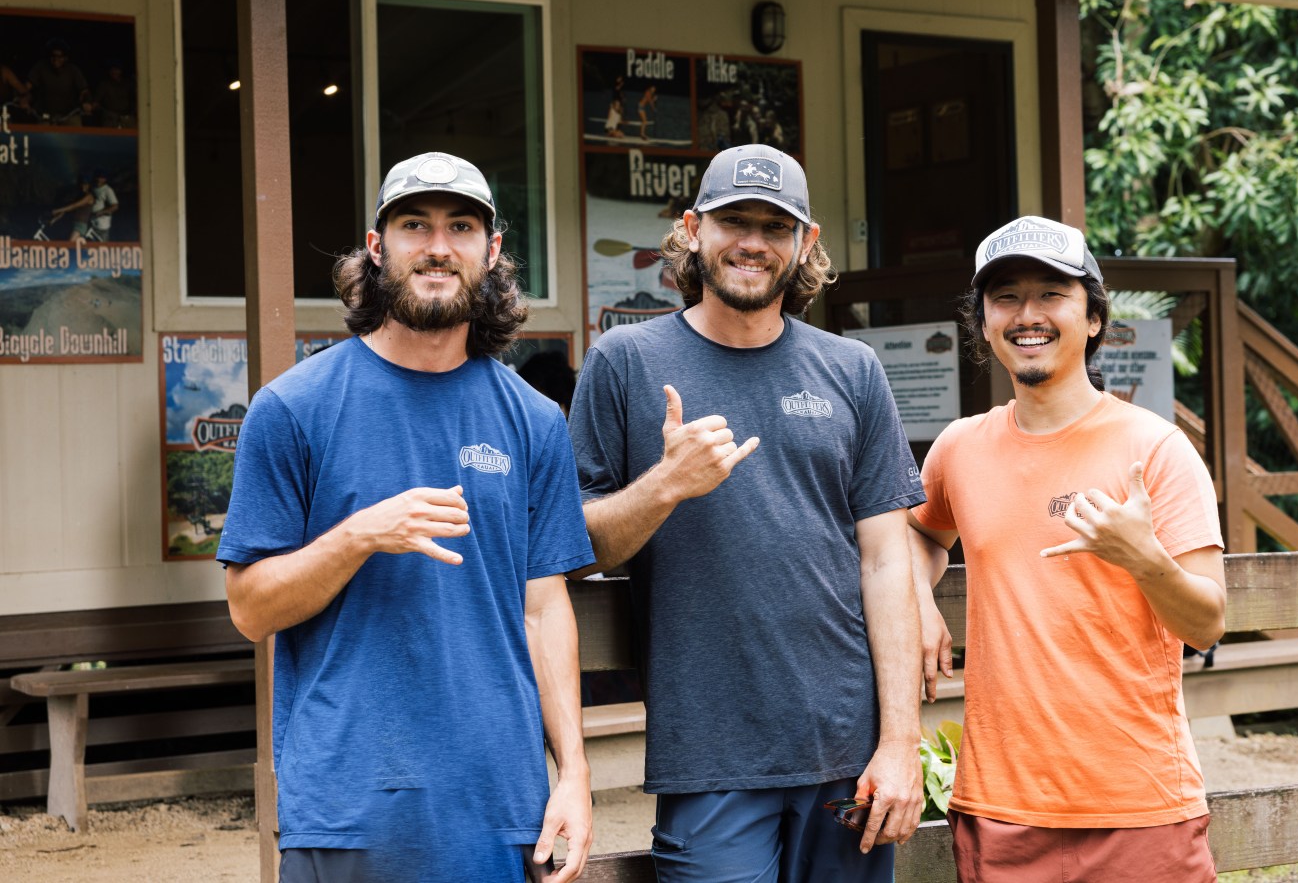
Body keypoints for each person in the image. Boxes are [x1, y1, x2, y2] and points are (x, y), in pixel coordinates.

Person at [216, 151, 595, 883]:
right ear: (376, 245)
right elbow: (250, 610)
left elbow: (544, 610)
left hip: (498, 803)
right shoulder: (293, 408)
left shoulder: (534, 421)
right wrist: (359, 534)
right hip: (346, 804)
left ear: (491, 251)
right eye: (414, 224)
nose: (438, 246)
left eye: (460, 226)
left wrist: (573, 773)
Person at [568, 143, 927, 883]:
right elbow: (578, 544)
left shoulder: (851, 369)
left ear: (805, 242)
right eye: (735, 220)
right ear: (693, 228)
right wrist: (664, 484)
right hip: (710, 750)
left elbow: (888, 560)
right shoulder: (625, 362)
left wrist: (900, 740)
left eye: (775, 224)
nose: (753, 242)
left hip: (847, 749)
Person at [906, 215, 1227, 882]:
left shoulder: (1153, 449)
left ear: (1092, 318)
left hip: (1137, 803)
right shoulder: (958, 449)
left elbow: (1204, 623)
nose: (1028, 315)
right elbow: (915, 532)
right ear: (984, 323)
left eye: (1051, 294)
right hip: (999, 804)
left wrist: (1143, 556)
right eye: (1006, 297)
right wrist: (917, 598)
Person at [26, 39, 89, 124]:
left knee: (76, 130)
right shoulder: (41, 67)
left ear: (66, 58)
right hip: (44, 114)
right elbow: (27, 86)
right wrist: (24, 98)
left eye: (60, 56)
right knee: (41, 134)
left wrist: (86, 102)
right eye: (53, 56)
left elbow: (84, 90)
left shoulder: (73, 70)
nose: (56, 59)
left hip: (69, 114)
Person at [82, 170, 119, 241]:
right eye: (97, 177)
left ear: (105, 179)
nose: (98, 179)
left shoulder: (108, 190)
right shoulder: (93, 188)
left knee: (102, 246)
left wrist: (101, 212)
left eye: (100, 177)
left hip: (102, 225)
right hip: (91, 223)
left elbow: (115, 206)